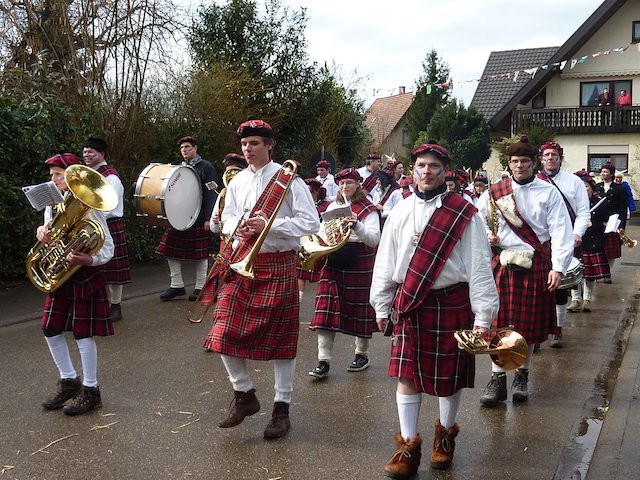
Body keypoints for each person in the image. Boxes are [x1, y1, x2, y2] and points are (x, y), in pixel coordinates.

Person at [370, 142, 499, 475]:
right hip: (410, 302)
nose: (426, 172)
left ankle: (445, 437)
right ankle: (408, 447)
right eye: (421, 166)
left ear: (445, 172)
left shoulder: (464, 212)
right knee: (406, 374)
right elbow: (385, 261)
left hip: (450, 301)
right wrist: (381, 303)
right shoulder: (399, 210)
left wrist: (484, 316)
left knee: (448, 379)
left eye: (433, 167)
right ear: (413, 170)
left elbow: (480, 265)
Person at [203, 118, 319, 439]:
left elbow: (311, 223)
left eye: (254, 143)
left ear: (269, 146)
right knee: (222, 331)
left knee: (282, 343)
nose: (248, 149)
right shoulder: (238, 181)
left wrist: (269, 225)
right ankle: (244, 396)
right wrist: (234, 228)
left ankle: (282, 410)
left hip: (279, 262)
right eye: (244, 144)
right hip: (243, 261)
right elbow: (225, 218)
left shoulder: (289, 180)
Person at [476, 135, 573, 408]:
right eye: (515, 161)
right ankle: (497, 380)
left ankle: (522, 375)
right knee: (501, 325)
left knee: (527, 328)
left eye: (525, 162)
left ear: (534, 164)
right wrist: (488, 236)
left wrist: (558, 268)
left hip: (535, 262)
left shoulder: (548, 192)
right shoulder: (495, 191)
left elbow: (561, 231)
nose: (520, 166)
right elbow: (476, 220)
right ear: (510, 163)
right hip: (504, 263)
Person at [37, 153, 114, 415]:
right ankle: (69, 381)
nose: (54, 180)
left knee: (82, 332)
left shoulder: (90, 207)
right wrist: (42, 232)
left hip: (83, 274)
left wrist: (89, 258)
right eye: (52, 176)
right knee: (50, 329)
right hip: (60, 274)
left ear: (73, 179)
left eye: (59, 175)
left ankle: (91, 390)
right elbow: (49, 231)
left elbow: (109, 249)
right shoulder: (52, 204)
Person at [309, 167, 381, 378]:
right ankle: (323, 361)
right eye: (341, 183)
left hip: (358, 259)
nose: (344, 186)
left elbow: (373, 239)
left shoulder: (368, 209)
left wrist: (357, 225)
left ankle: (362, 354)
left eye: (349, 183)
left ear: (358, 184)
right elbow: (323, 232)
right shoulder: (333, 206)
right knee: (325, 311)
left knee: (360, 311)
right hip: (334, 259)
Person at [536, 140, 590, 348]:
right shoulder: (534, 181)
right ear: (541, 159)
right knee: (538, 287)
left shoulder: (573, 181)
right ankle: (538, 334)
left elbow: (583, 211)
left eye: (554, 155)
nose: (550, 159)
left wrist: (577, 233)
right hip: (539, 241)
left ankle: (558, 328)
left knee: (559, 286)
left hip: (565, 239)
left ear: (560, 158)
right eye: (546, 155)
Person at [156, 136, 218, 302]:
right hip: (178, 217)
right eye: (182, 147)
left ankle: (201, 286)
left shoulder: (206, 167)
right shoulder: (178, 168)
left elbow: (212, 194)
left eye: (188, 147)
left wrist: (208, 218)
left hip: (198, 218)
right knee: (170, 250)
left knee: (201, 254)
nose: (184, 150)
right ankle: (177, 285)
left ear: (196, 148)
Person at [81, 137, 130, 322]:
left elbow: (110, 206)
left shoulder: (111, 177)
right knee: (95, 266)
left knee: (113, 269)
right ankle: (100, 304)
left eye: (90, 152)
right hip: (91, 224)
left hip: (108, 223)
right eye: (84, 151)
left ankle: (115, 305)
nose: (86, 154)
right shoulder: (85, 174)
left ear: (101, 154)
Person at [569, 173, 613, 312]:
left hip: (592, 241)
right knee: (574, 273)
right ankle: (575, 300)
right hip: (575, 242)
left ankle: (587, 299)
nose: (583, 189)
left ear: (591, 188)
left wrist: (593, 224)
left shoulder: (599, 203)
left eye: (586, 186)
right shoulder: (571, 203)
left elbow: (606, 223)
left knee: (590, 274)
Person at [296, 177, 331, 299]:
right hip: (303, 242)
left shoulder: (326, 205)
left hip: (319, 242)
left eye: (310, 191)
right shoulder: (300, 203)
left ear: (316, 192)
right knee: (299, 275)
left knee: (323, 274)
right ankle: (298, 301)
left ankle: (321, 299)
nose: (307, 194)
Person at [596, 163, 628, 281]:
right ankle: (599, 271)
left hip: (613, 223)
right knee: (598, 248)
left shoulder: (620, 189)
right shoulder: (597, 187)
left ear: (611, 174)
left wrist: (622, 225)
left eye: (605, 172)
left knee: (610, 251)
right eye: (602, 171)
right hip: (599, 223)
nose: (602, 174)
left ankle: (607, 273)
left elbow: (623, 208)